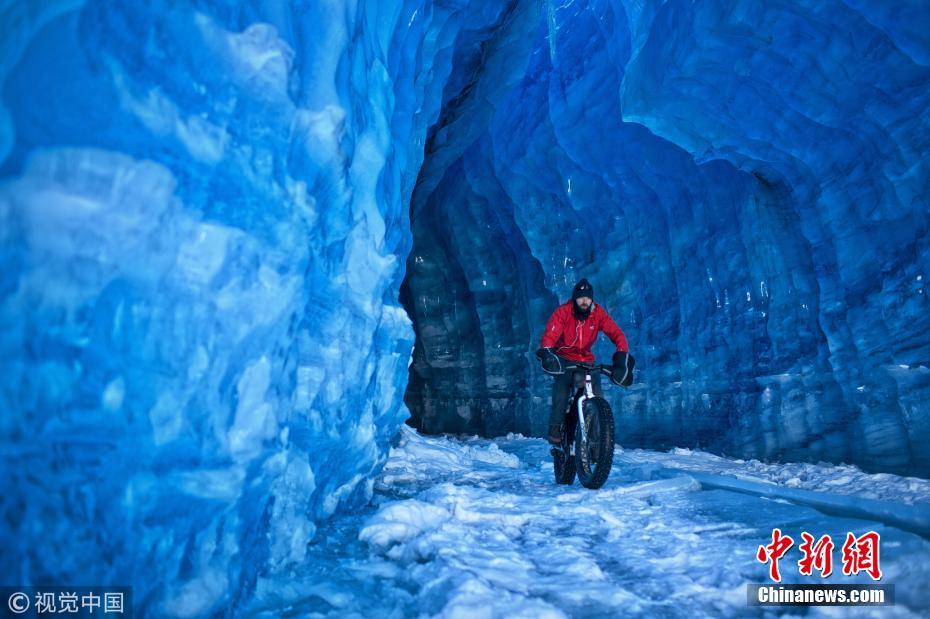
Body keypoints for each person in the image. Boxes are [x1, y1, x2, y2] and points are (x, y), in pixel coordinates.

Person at [536, 278, 634, 445]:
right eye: (581, 297)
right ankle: (556, 426)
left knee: (597, 396)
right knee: (561, 392)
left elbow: (617, 334)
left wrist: (622, 356)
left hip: (586, 360)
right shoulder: (563, 312)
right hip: (564, 359)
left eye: (588, 298)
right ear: (575, 298)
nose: (584, 301)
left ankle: (597, 442)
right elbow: (550, 336)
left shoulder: (598, 313)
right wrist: (547, 353)